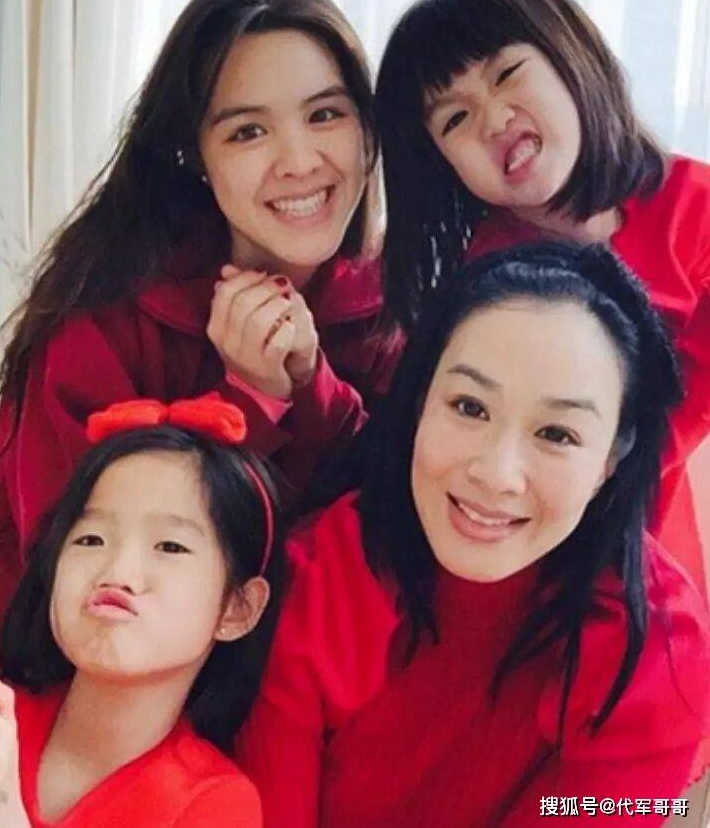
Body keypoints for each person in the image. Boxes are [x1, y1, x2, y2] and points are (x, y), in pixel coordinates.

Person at [0, 0, 401, 735]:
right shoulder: (110, 302)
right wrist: (249, 403)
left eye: (326, 114)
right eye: (247, 130)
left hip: (270, 700)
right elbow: (80, 554)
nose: (299, 160)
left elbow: (380, 528)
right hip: (33, 685)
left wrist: (309, 387)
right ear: (195, 153)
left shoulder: (392, 309)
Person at [235, 243, 710, 827]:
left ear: (609, 463)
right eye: (469, 407)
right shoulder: (323, 573)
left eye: (557, 434)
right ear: (421, 404)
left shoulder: (659, 652)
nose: (496, 474)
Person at [375, 0, 709, 597]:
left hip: (643, 572)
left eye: (507, 74)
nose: (493, 119)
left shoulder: (695, 207)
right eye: (454, 118)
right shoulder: (482, 289)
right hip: (514, 567)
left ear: (569, 56)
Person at [0, 396, 282, 828]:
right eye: (90, 539)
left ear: (238, 608)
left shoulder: (215, 802)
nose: (117, 572)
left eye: (170, 546)